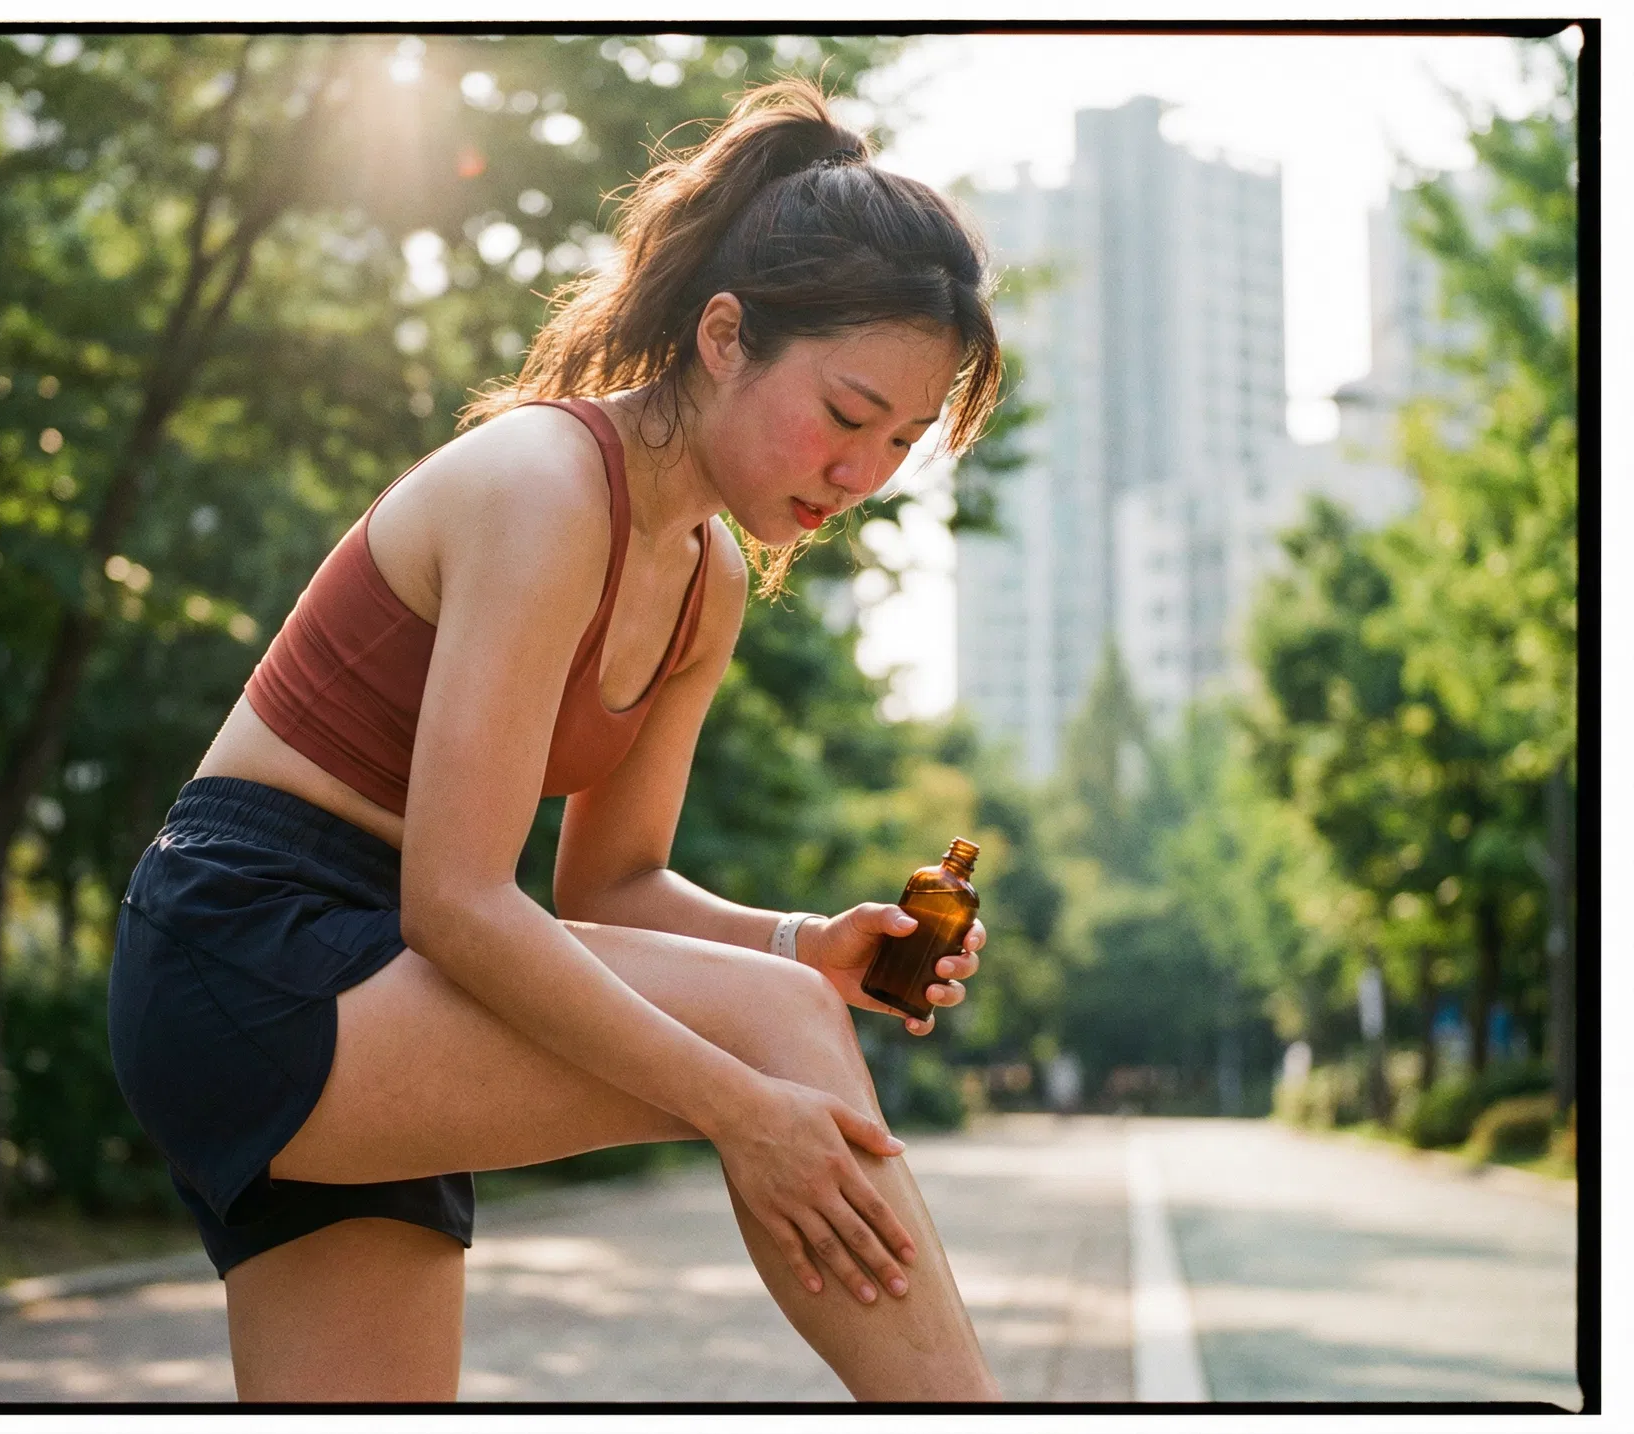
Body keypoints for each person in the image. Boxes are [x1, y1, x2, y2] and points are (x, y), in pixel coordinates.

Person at [108, 76, 1005, 1403]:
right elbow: (464, 902)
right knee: (780, 1029)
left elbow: (610, 887)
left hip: (390, 983)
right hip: (255, 945)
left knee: (786, 994)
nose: (862, 468)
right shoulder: (542, 487)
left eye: (902, 441)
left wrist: (798, 940)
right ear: (723, 336)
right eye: (846, 410)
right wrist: (744, 1104)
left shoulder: (706, 580)